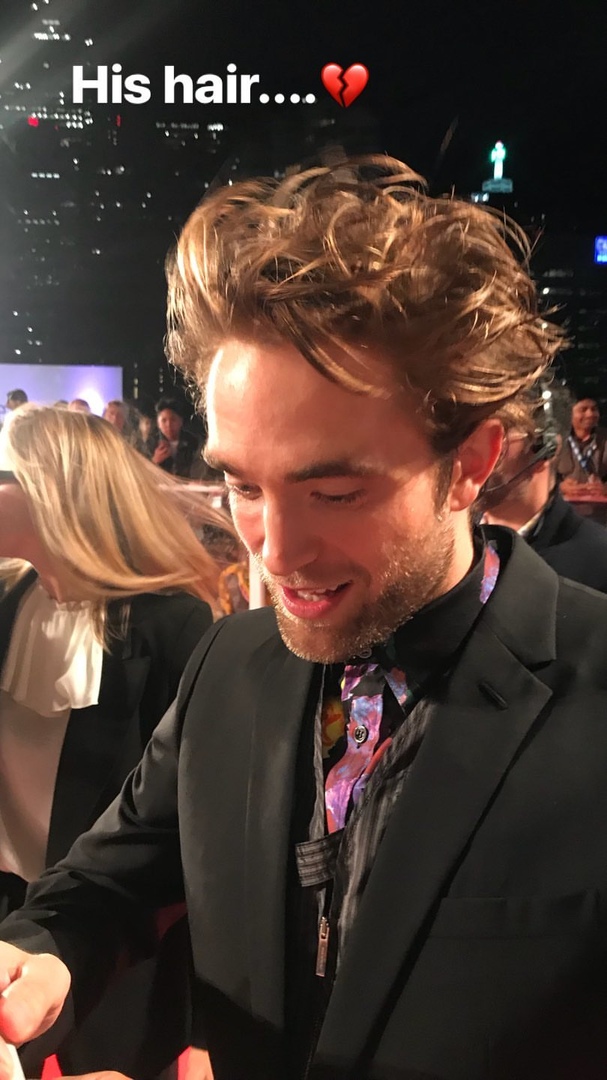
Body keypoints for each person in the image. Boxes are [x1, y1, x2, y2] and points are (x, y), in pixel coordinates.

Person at [4, 158, 607, 1080]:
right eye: (243, 486)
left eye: (334, 491)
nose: (274, 553)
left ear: (470, 462)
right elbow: (104, 881)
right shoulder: (228, 664)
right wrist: (39, 957)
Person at [0, 405, 227, 1078]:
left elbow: (196, 833)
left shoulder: (173, 626)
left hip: (114, 936)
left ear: (55, 492)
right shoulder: (9, 605)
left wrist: (206, 1021)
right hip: (13, 916)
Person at [479, 381, 607, 590]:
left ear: (546, 446)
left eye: (498, 434)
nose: (471, 450)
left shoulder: (598, 563)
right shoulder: (446, 544)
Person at [556, 394, 607, 485]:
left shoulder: (604, 439)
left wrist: (604, 487)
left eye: (594, 409)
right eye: (583, 410)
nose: (590, 414)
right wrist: (560, 486)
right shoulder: (555, 442)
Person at [151, 397, 199, 478]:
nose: (168, 425)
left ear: (181, 421)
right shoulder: (151, 443)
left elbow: (199, 471)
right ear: (158, 424)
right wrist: (155, 460)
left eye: (173, 420)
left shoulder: (193, 443)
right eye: (164, 420)